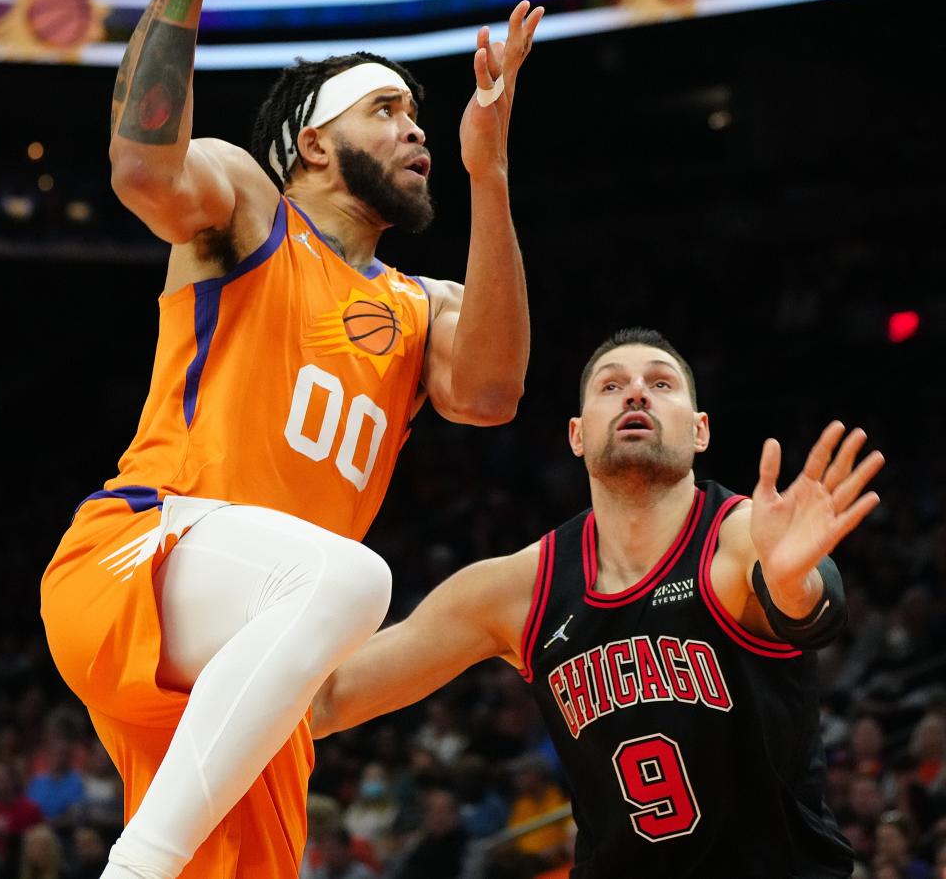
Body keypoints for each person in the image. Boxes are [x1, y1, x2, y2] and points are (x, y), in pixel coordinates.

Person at [39, 0, 544, 879]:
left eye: (421, 116)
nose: (418, 130)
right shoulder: (249, 206)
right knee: (354, 582)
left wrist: (489, 172)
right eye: (390, 110)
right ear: (315, 141)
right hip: (144, 555)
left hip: (256, 646)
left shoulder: (423, 304)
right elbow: (141, 168)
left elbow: (493, 392)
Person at [312, 327, 887, 878]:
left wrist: (793, 583)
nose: (636, 391)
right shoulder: (520, 587)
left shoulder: (740, 536)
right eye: (610, 386)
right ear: (577, 434)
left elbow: (809, 611)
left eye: (661, 384)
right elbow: (331, 700)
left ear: (700, 430)